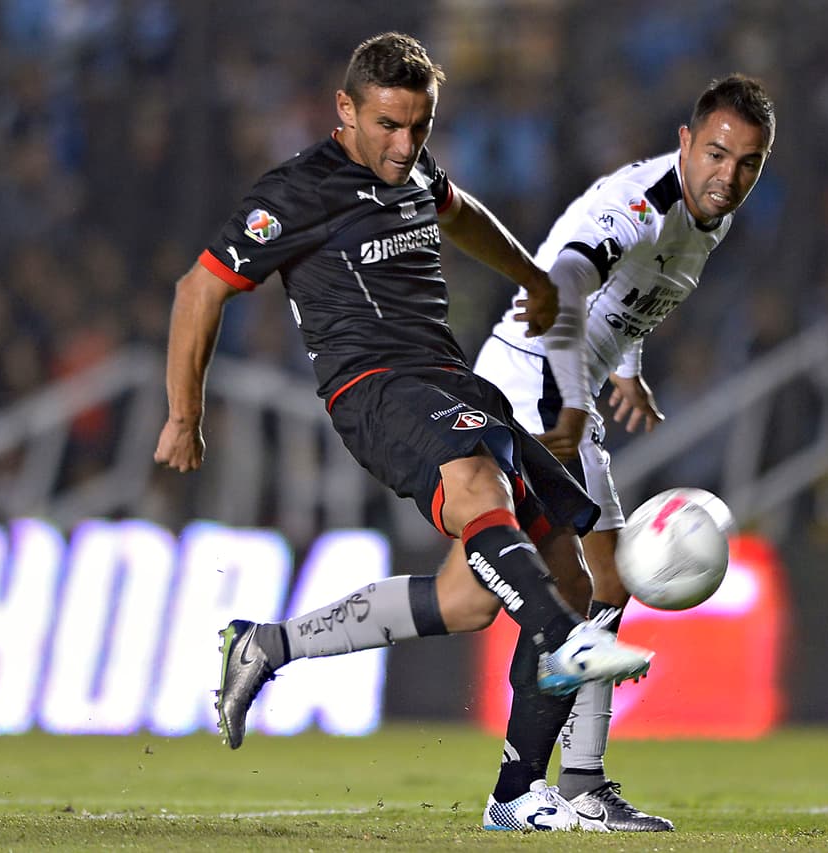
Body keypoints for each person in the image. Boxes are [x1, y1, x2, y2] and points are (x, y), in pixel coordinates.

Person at [153, 32, 654, 833]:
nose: (402, 144)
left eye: (418, 126)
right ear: (344, 109)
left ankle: (506, 788)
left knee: (535, 579)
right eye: (387, 124)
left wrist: (529, 276)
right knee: (482, 495)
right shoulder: (295, 192)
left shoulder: (414, 167)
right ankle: (563, 641)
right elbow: (197, 290)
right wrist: (185, 414)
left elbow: (462, 215)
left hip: (451, 379)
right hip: (374, 387)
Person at [442, 73, 776, 831]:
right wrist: (573, 395)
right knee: (600, 578)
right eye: (717, 154)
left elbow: (624, 301)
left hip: (564, 388)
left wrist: (625, 369)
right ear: (685, 143)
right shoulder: (640, 207)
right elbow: (562, 281)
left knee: (480, 597)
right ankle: (540, 787)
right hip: (535, 387)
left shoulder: (708, 215)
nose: (730, 175)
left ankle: (280, 643)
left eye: (748, 162)